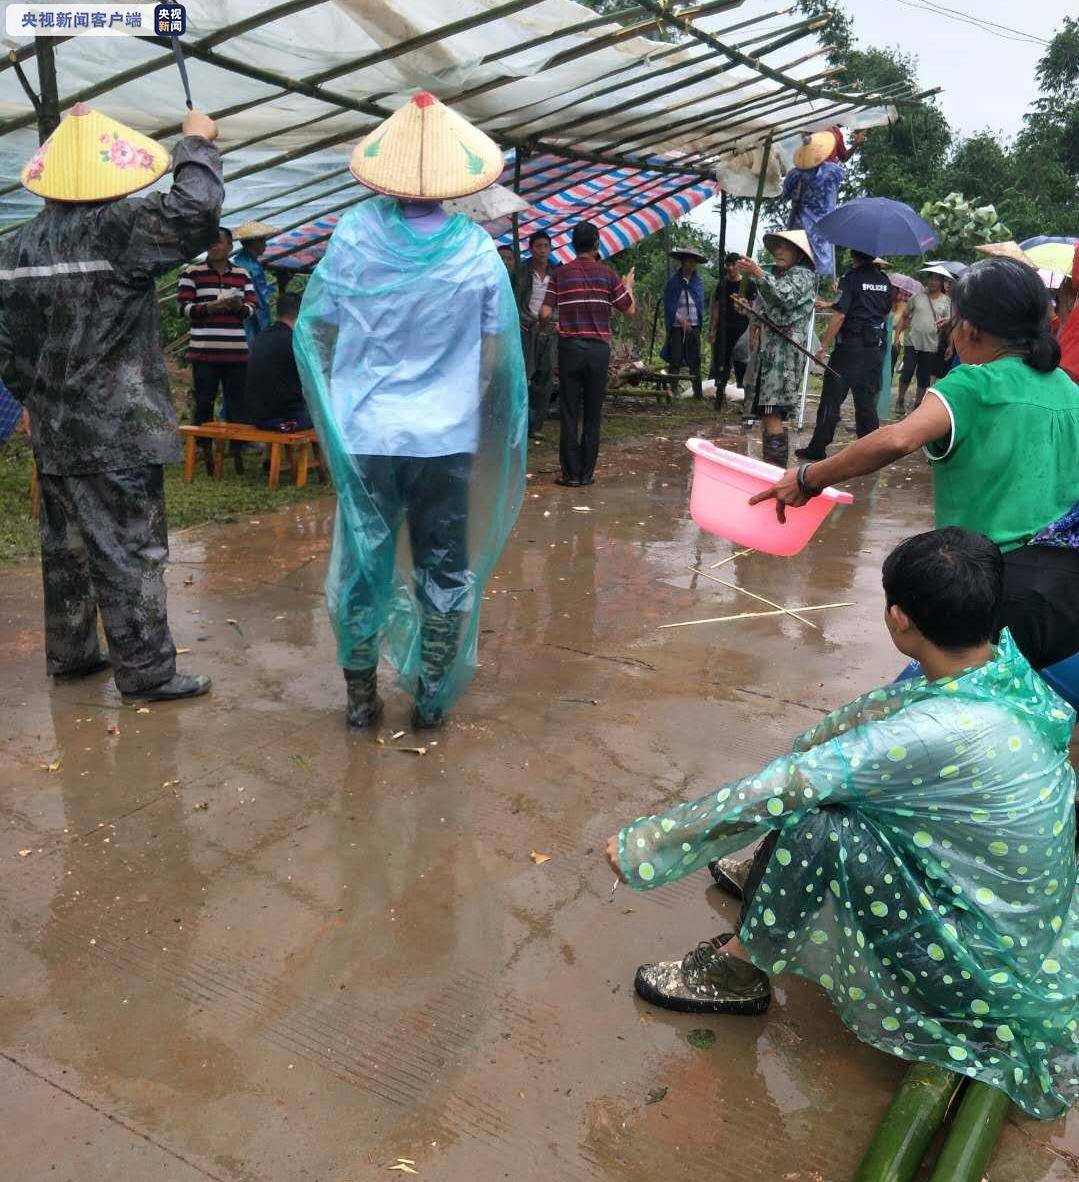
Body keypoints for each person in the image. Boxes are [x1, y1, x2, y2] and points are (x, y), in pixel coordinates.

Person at [606, 527, 1079, 1122]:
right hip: (1032, 936)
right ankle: (765, 878)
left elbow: (777, 790)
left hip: (984, 977)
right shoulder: (1004, 667)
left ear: (899, 619)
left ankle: (737, 971)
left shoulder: (931, 732)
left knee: (818, 819)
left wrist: (644, 847)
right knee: (837, 794)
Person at [293, 92, 527, 732]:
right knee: (443, 569)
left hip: (367, 434)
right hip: (443, 439)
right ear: (455, 177)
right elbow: (496, 348)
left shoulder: (354, 237)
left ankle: (360, 699)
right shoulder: (476, 251)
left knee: (362, 565)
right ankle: (430, 699)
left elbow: (320, 325)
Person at [754, 257, 1079, 673]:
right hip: (1067, 589)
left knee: (950, 708)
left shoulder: (973, 384)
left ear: (970, 328)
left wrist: (807, 477)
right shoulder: (1068, 388)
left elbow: (898, 438)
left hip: (993, 591)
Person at [0, 103, 222, 701]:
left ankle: (72, 654)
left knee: (65, 547)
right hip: (119, 429)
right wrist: (196, 143)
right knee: (130, 547)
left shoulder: (14, 250)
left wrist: (36, 399)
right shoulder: (118, 230)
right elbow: (195, 211)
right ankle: (147, 671)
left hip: (56, 428)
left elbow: (5, 348)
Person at [540, 220, 635, 487]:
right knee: (593, 414)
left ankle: (570, 475)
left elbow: (545, 313)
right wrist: (629, 286)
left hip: (570, 350)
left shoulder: (560, 275)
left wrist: (549, 322)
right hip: (598, 352)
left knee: (569, 412)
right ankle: (586, 474)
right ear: (596, 244)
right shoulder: (608, 275)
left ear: (572, 245)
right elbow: (628, 310)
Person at [795, 249, 892, 460]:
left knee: (831, 399)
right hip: (873, 349)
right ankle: (871, 451)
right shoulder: (884, 281)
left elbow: (839, 315)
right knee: (866, 401)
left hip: (849, 349)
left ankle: (818, 447)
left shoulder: (850, 279)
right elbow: (884, 310)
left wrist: (823, 347)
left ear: (854, 255)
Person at [177, 225, 257, 473]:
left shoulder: (242, 274)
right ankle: (203, 445)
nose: (213, 246)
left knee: (237, 401)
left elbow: (252, 307)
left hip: (235, 350)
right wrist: (210, 309)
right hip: (204, 351)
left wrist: (237, 307)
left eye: (218, 242)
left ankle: (238, 446)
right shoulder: (192, 272)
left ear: (229, 247)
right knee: (204, 400)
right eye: (209, 242)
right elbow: (183, 309)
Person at [735, 229, 816, 468]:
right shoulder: (783, 276)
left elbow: (783, 298)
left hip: (784, 357)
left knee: (773, 411)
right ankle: (771, 469)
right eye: (777, 247)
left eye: (785, 247)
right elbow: (773, 313)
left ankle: (776, 472)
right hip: (770, 356)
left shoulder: (802, 276)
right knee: (767, 412)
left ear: (799, 254)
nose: (779, 252)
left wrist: (758, 273)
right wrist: (748, 309)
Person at [244, 292, 311, 431]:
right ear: (301, 313)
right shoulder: (294, 341)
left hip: (257, 416)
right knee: (326, 418)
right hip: (284, 419)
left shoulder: (262, 336)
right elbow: (311, 384)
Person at [782, 131, 845, 278]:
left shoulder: (795, 175)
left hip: (799, 229)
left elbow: (785, 193)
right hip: (824, 227)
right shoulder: (832, 171)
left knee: (798, 266)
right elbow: (840, 173)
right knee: (820, 267)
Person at [516, 229, 557, 442]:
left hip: (548, 328)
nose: (542, 250)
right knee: (524, 376)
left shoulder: (556, 272)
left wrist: (555, 321)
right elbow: (514, 299)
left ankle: (536, 426)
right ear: (531, 248)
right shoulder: (522, 271)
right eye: (538, 246)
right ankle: (521, 424)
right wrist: (519, 320)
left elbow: (560, 301)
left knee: (545, 377)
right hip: (527, 327)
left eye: (546, 246)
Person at [894, 267, 951, 413]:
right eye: (930, 279)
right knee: (907, 372)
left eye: (936, 280)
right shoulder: (917, 297)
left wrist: (950, 345)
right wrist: (896, 338)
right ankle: (900, 399)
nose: (932, 282)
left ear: (941, 283)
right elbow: (904, 316)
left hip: (931, 344)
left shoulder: (946, 302)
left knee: (924, 377)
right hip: (912, 342)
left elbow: (950, 325)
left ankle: (918, 404)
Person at [710, 251, 755, 408]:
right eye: (727, 265)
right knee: (722, 362)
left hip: (742, 329)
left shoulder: (748, 284)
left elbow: (754, 309)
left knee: (743, 363)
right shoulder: (722, 284)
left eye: (733, 265)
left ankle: (745, 398)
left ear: (739, 266)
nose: (730, 268)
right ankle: (719, 395)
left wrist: (753, 332)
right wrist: (713, 330)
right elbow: (716, 308)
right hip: (724, 328)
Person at [660, 246, 706, 400]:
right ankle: (672, 392)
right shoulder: (673, 282)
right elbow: (669, 305)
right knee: (676, 358)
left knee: (695, 360)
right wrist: (680, 320)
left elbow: (700, 304)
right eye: (687, 262)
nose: (690, 265)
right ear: (683, 263)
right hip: (677, 326)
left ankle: (698, 394)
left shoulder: (698, 282)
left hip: (693, 326)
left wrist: (694, 325)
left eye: (693, 263)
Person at [231, 220, 280, 347]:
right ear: (253, 242)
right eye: (262, 241)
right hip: (250, 315)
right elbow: (260, 299)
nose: (266, 245)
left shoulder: (239, 260)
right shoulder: (252, 266)